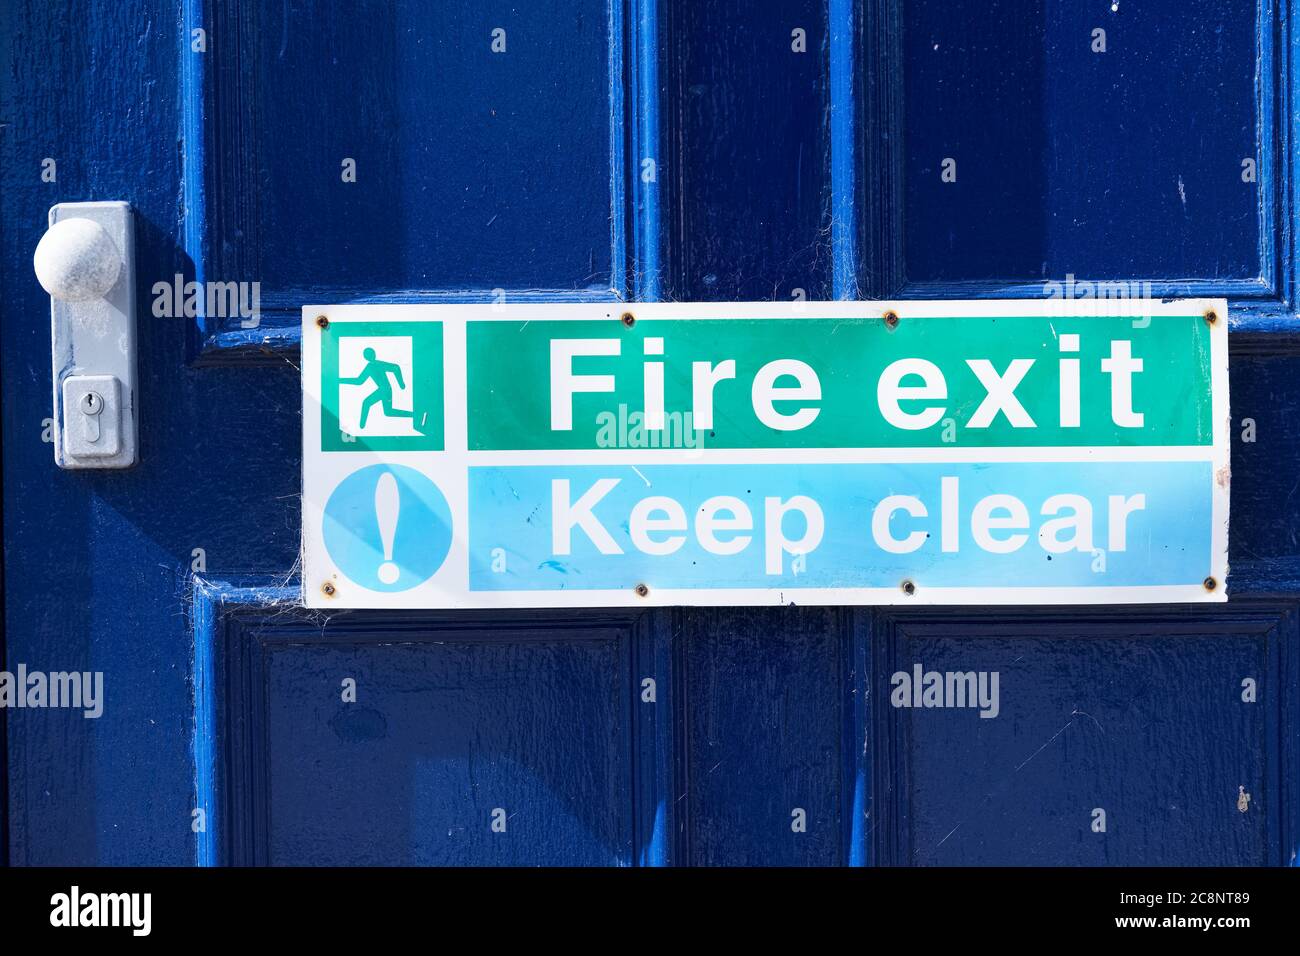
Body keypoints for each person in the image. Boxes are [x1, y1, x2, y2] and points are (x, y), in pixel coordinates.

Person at [342, 347, 413, 428]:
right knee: (388, 412)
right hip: (386, 389)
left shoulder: (377, 364)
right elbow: (359, 381)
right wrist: (401, 384)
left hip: (384, 390)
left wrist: (401, 384)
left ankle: (362, 425)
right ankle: (413, 414)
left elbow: (396, 367)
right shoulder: (371, 366)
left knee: (367, 403)